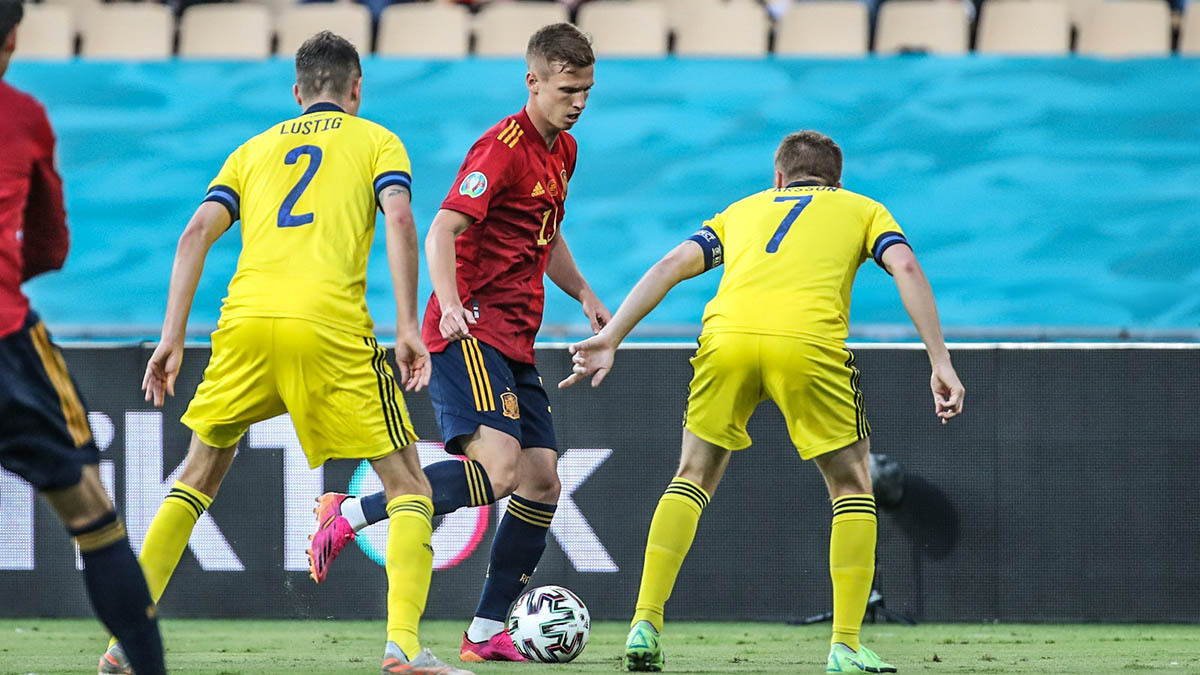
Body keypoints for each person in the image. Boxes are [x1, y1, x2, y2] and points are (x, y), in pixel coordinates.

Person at [97, 31, 471, 675]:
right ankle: (404, 648)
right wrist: (409, 325)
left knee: (195, 475)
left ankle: (124, 647)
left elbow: (194, 234)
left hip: (242, 326)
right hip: (327, 326)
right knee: (408, 484)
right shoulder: (376, 140)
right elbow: (403, 221)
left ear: (297, 93)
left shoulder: (252, 150)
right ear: (357, 89)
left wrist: (169, 336)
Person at [560, 131, 965, 673]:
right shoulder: (863, 210)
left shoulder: (742, 210)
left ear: (778, 179)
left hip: (726, 339)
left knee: (692, 476)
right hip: (807, 344)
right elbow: (908, 269)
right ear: (835, 182)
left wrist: (613, 337)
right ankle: (845, 646)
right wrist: (939, 360)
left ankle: (644, 624)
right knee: (851, 485)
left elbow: (671, 265)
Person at [307, 22, 609, 664]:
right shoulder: (500, 148)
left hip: (516, 337)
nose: (578, 101)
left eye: (585, 89)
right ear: (533, 81)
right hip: (469, 325)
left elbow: (542, 234)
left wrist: (582, 292)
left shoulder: (565, 150)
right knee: (501, 470)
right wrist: (445, 305)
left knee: (542, 481)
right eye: (566, 90)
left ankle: (484, 633)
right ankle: (350, 510)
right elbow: (442, 229)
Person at [0, 3, 168, 674]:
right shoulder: (24, 117)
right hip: (6, 341)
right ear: (12, 38)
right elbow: (50, 243)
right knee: (93, 514)